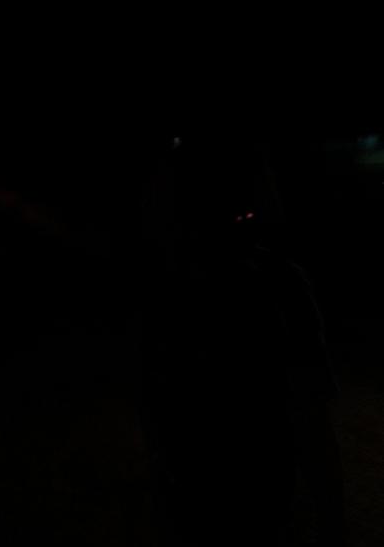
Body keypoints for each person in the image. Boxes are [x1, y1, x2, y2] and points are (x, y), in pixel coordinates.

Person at [138, 135, 345, 546]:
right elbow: (313, 418)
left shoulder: (169, 286)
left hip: (211, 503)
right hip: (251, 502)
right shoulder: (277, 284)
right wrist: (332, 521)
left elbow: (154, 413)